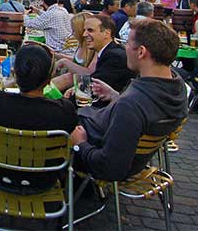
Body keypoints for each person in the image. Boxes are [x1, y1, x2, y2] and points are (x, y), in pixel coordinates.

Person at [71, 19, 188, 181]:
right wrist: (115, 96)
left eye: (127, 43)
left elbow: (109, 167)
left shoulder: (131, 106)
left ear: (141, 52)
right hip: (132, 155)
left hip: (89, 148)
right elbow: (143, 113)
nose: (124, 48)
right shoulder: (176, 84)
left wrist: (81, 144)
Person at [0, 44, 78, 193]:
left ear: (15, 73)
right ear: (49, 79)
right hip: (45, 179)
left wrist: (9, 83)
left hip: (0, 175)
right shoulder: (63, 111)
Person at [53, 14, 135, 95]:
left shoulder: (114, 56)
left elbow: (95, 86)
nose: (84, 34)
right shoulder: (108, 51)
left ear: (107, 33)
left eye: (90, 30)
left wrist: (75, 90)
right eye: (84, 30)